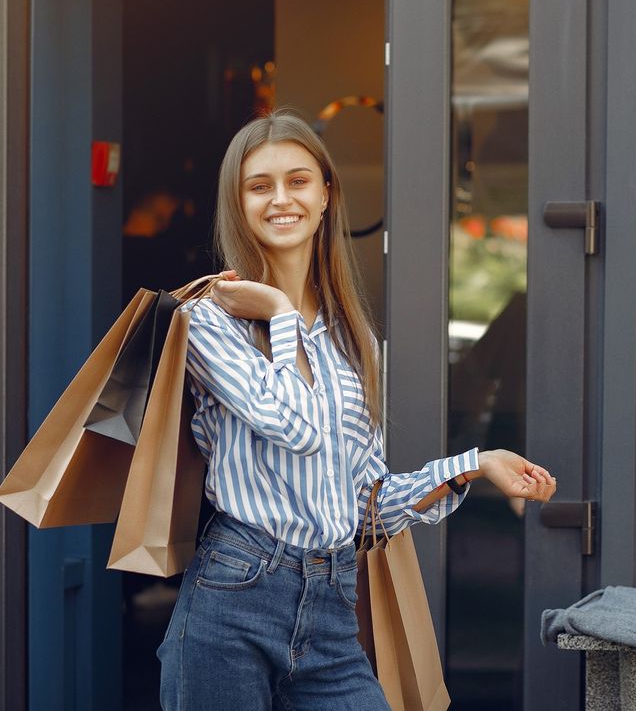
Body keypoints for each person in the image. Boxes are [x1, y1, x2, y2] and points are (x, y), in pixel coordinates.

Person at [157, 109, 557, 711]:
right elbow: (292, 425)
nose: (280, 199)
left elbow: (367, 503)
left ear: (326, 195)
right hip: (233, 597)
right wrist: (280, 315)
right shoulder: (208, 322)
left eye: (298, 181)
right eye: (259, 186)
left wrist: (477, 463)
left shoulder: (352, 339)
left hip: (331, 606)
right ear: (237, 204)